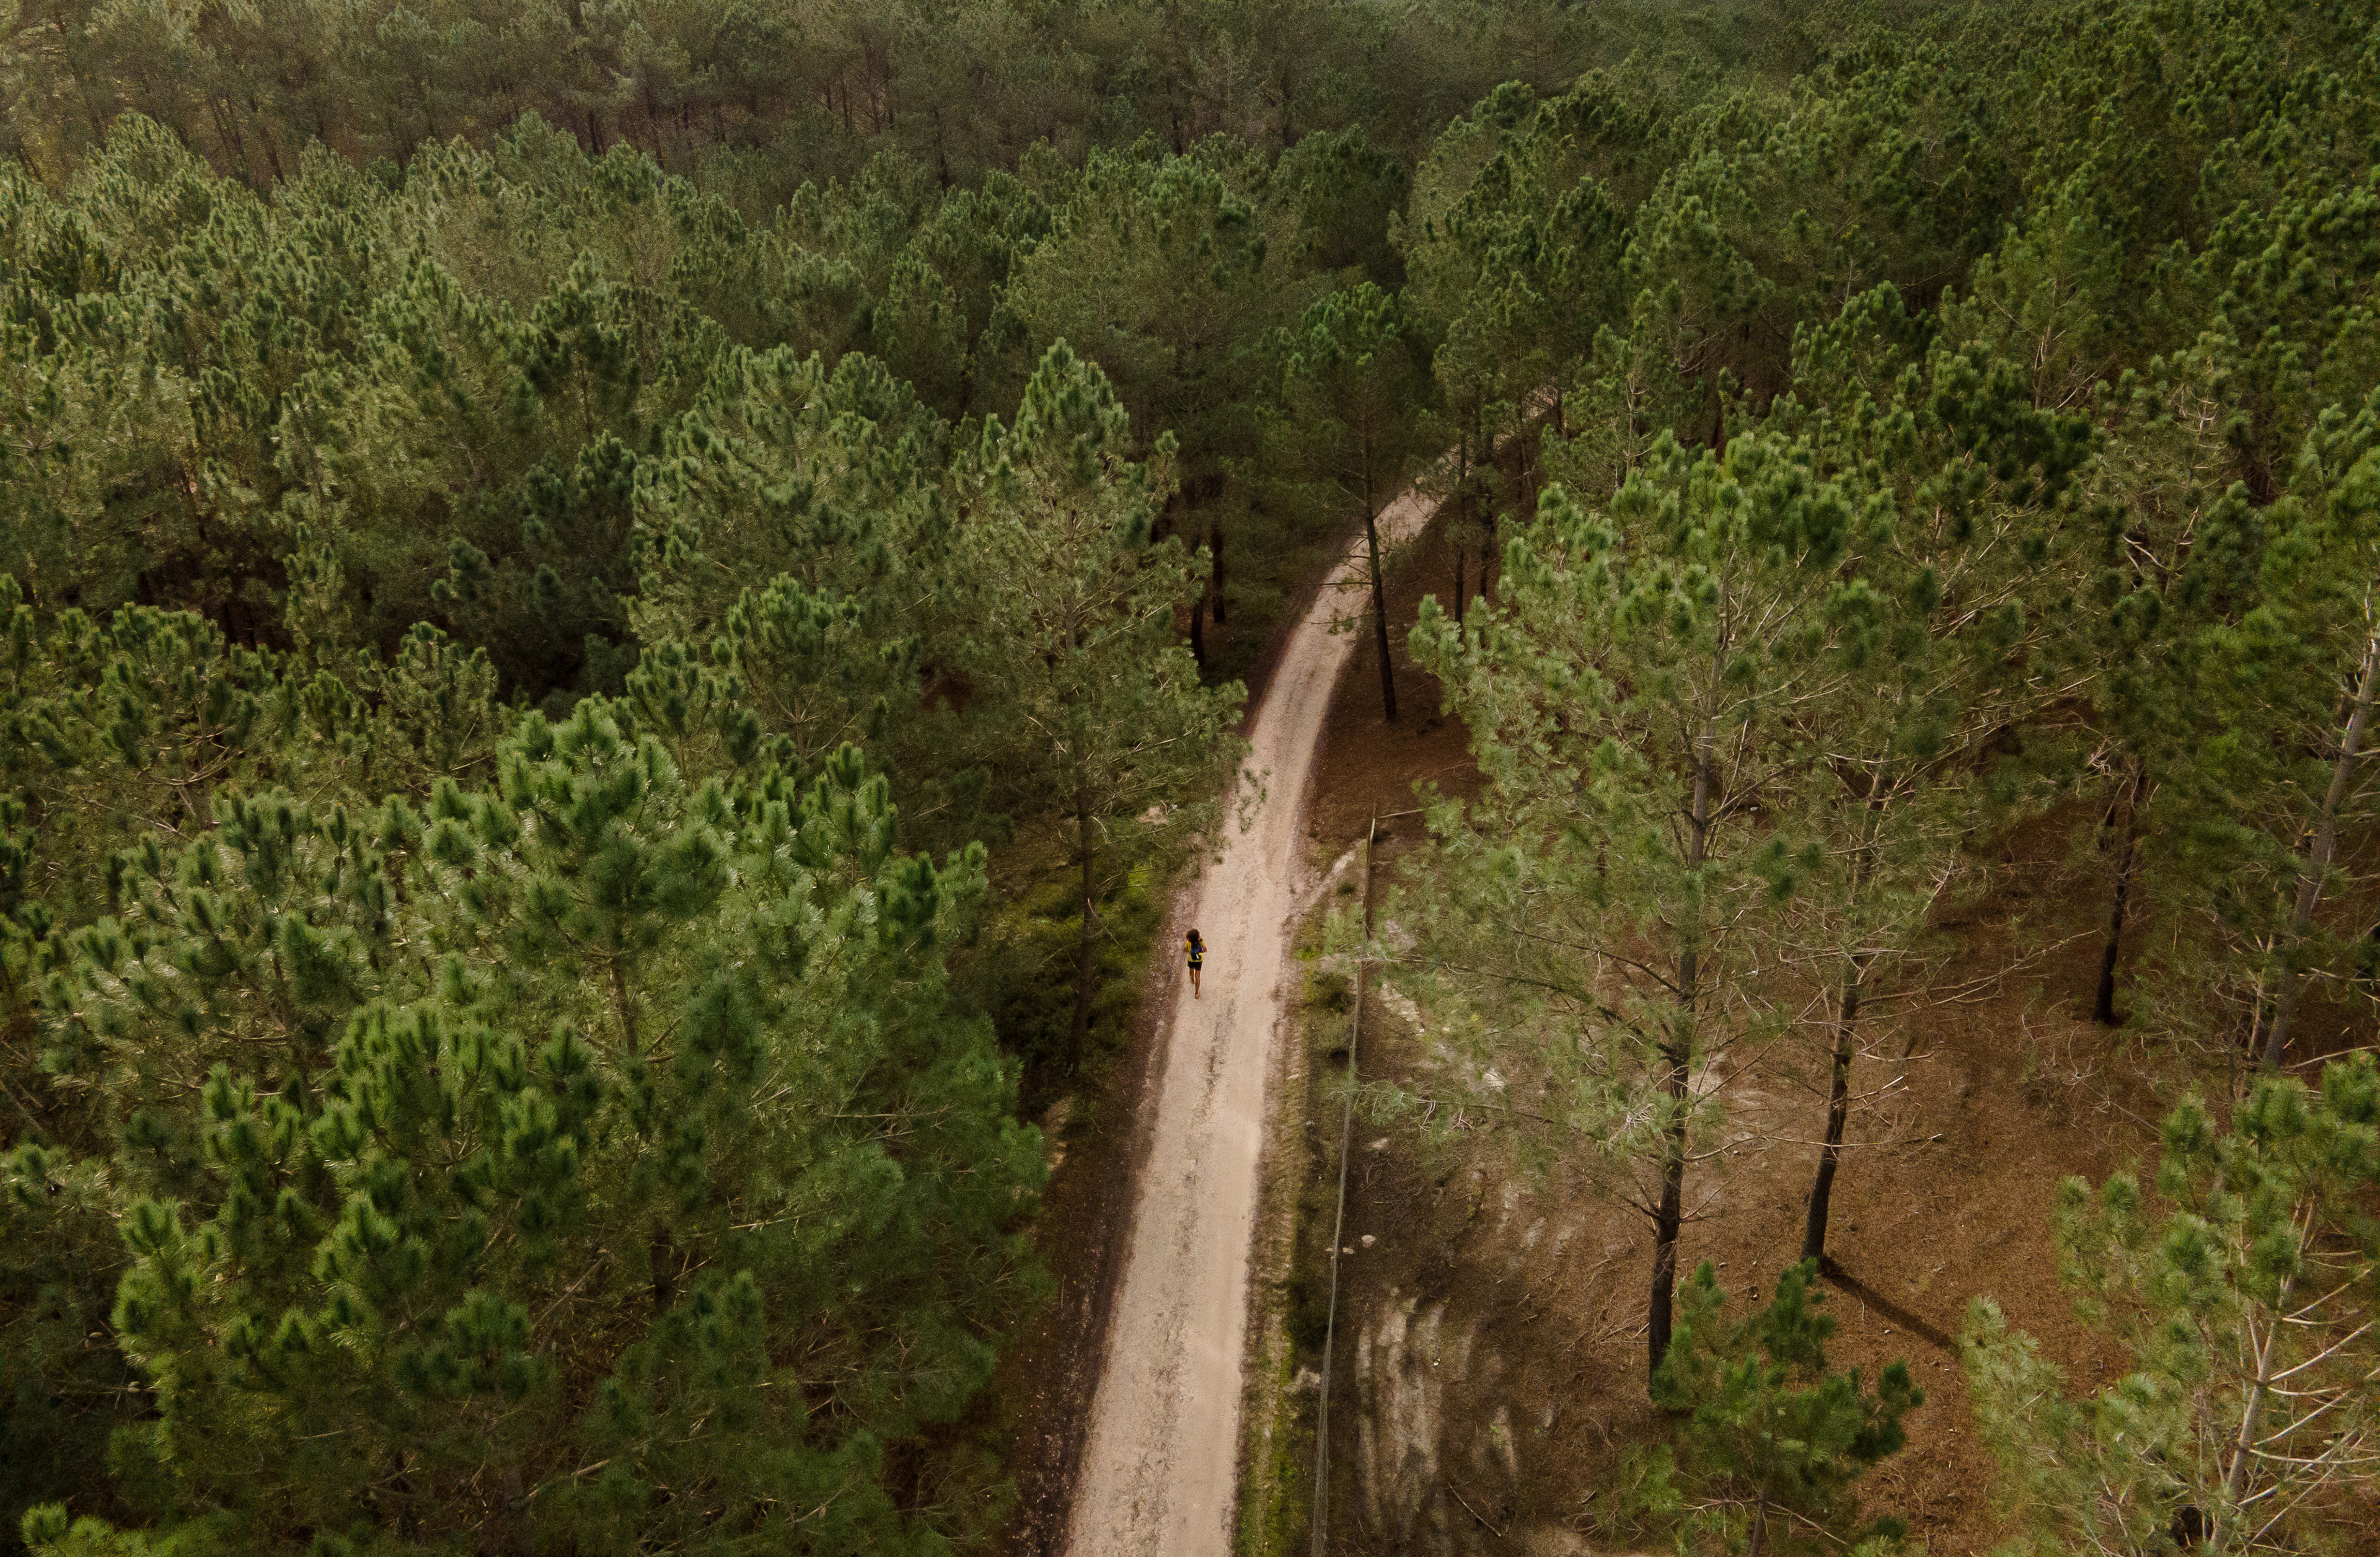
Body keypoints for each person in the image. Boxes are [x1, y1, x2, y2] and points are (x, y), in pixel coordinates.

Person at [1185, 928, 1205, 999]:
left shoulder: (1188, 943)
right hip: (1199, 961)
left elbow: (1185, 950)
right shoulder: (1201, 941)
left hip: (1191, 960)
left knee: (1191, 970)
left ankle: (1192, 979)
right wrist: (1200, 951)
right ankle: (1197, 993)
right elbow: (1205, 950)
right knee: (1198, 975)